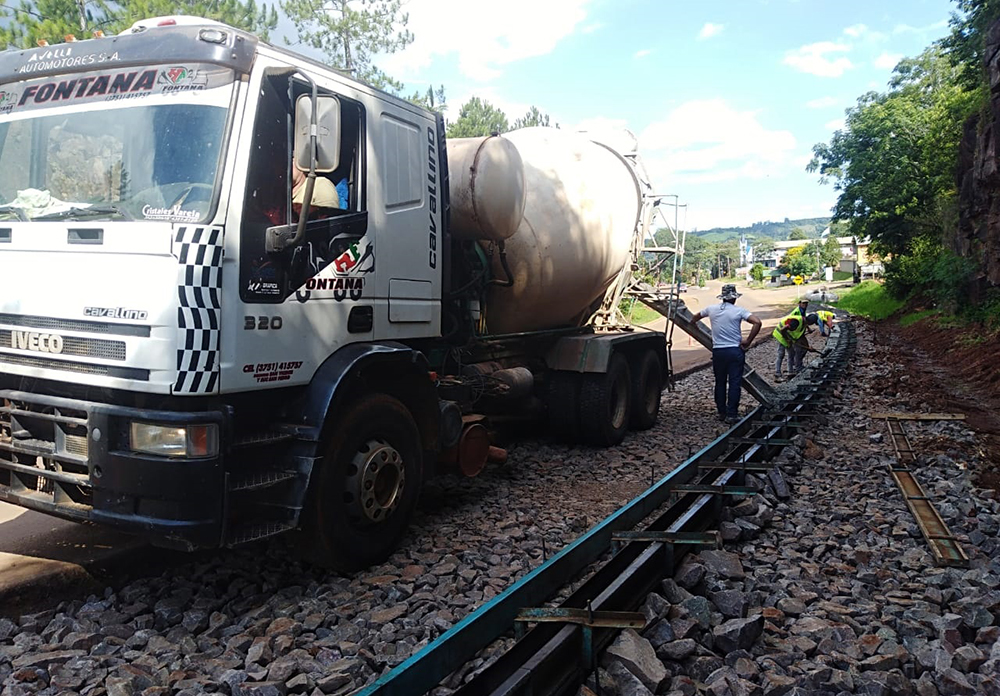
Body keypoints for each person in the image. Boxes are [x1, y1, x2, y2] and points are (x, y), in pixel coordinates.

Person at [691, 284, 762, 424]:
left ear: (723, 298)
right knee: (735, 383)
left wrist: (696, 327)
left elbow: (694, 318)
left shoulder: (711, 309)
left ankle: (721, 412)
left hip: (718, 351)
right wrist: (748, 341)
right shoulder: (739, 311)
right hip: (734, 351)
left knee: (720, 382)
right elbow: (757, 323)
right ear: (734, 298)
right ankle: (732, 414)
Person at [773, 311, 818, 380]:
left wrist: (808, 348)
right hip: (781, 335)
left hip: (787, 336)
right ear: (810, 322)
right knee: (781, 354)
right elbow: (782, 330)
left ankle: (790, 372)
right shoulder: (796, 322)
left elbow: (802, 337)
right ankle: (777, 373)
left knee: (791, 354)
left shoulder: (804, 322)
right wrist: (787, 339)